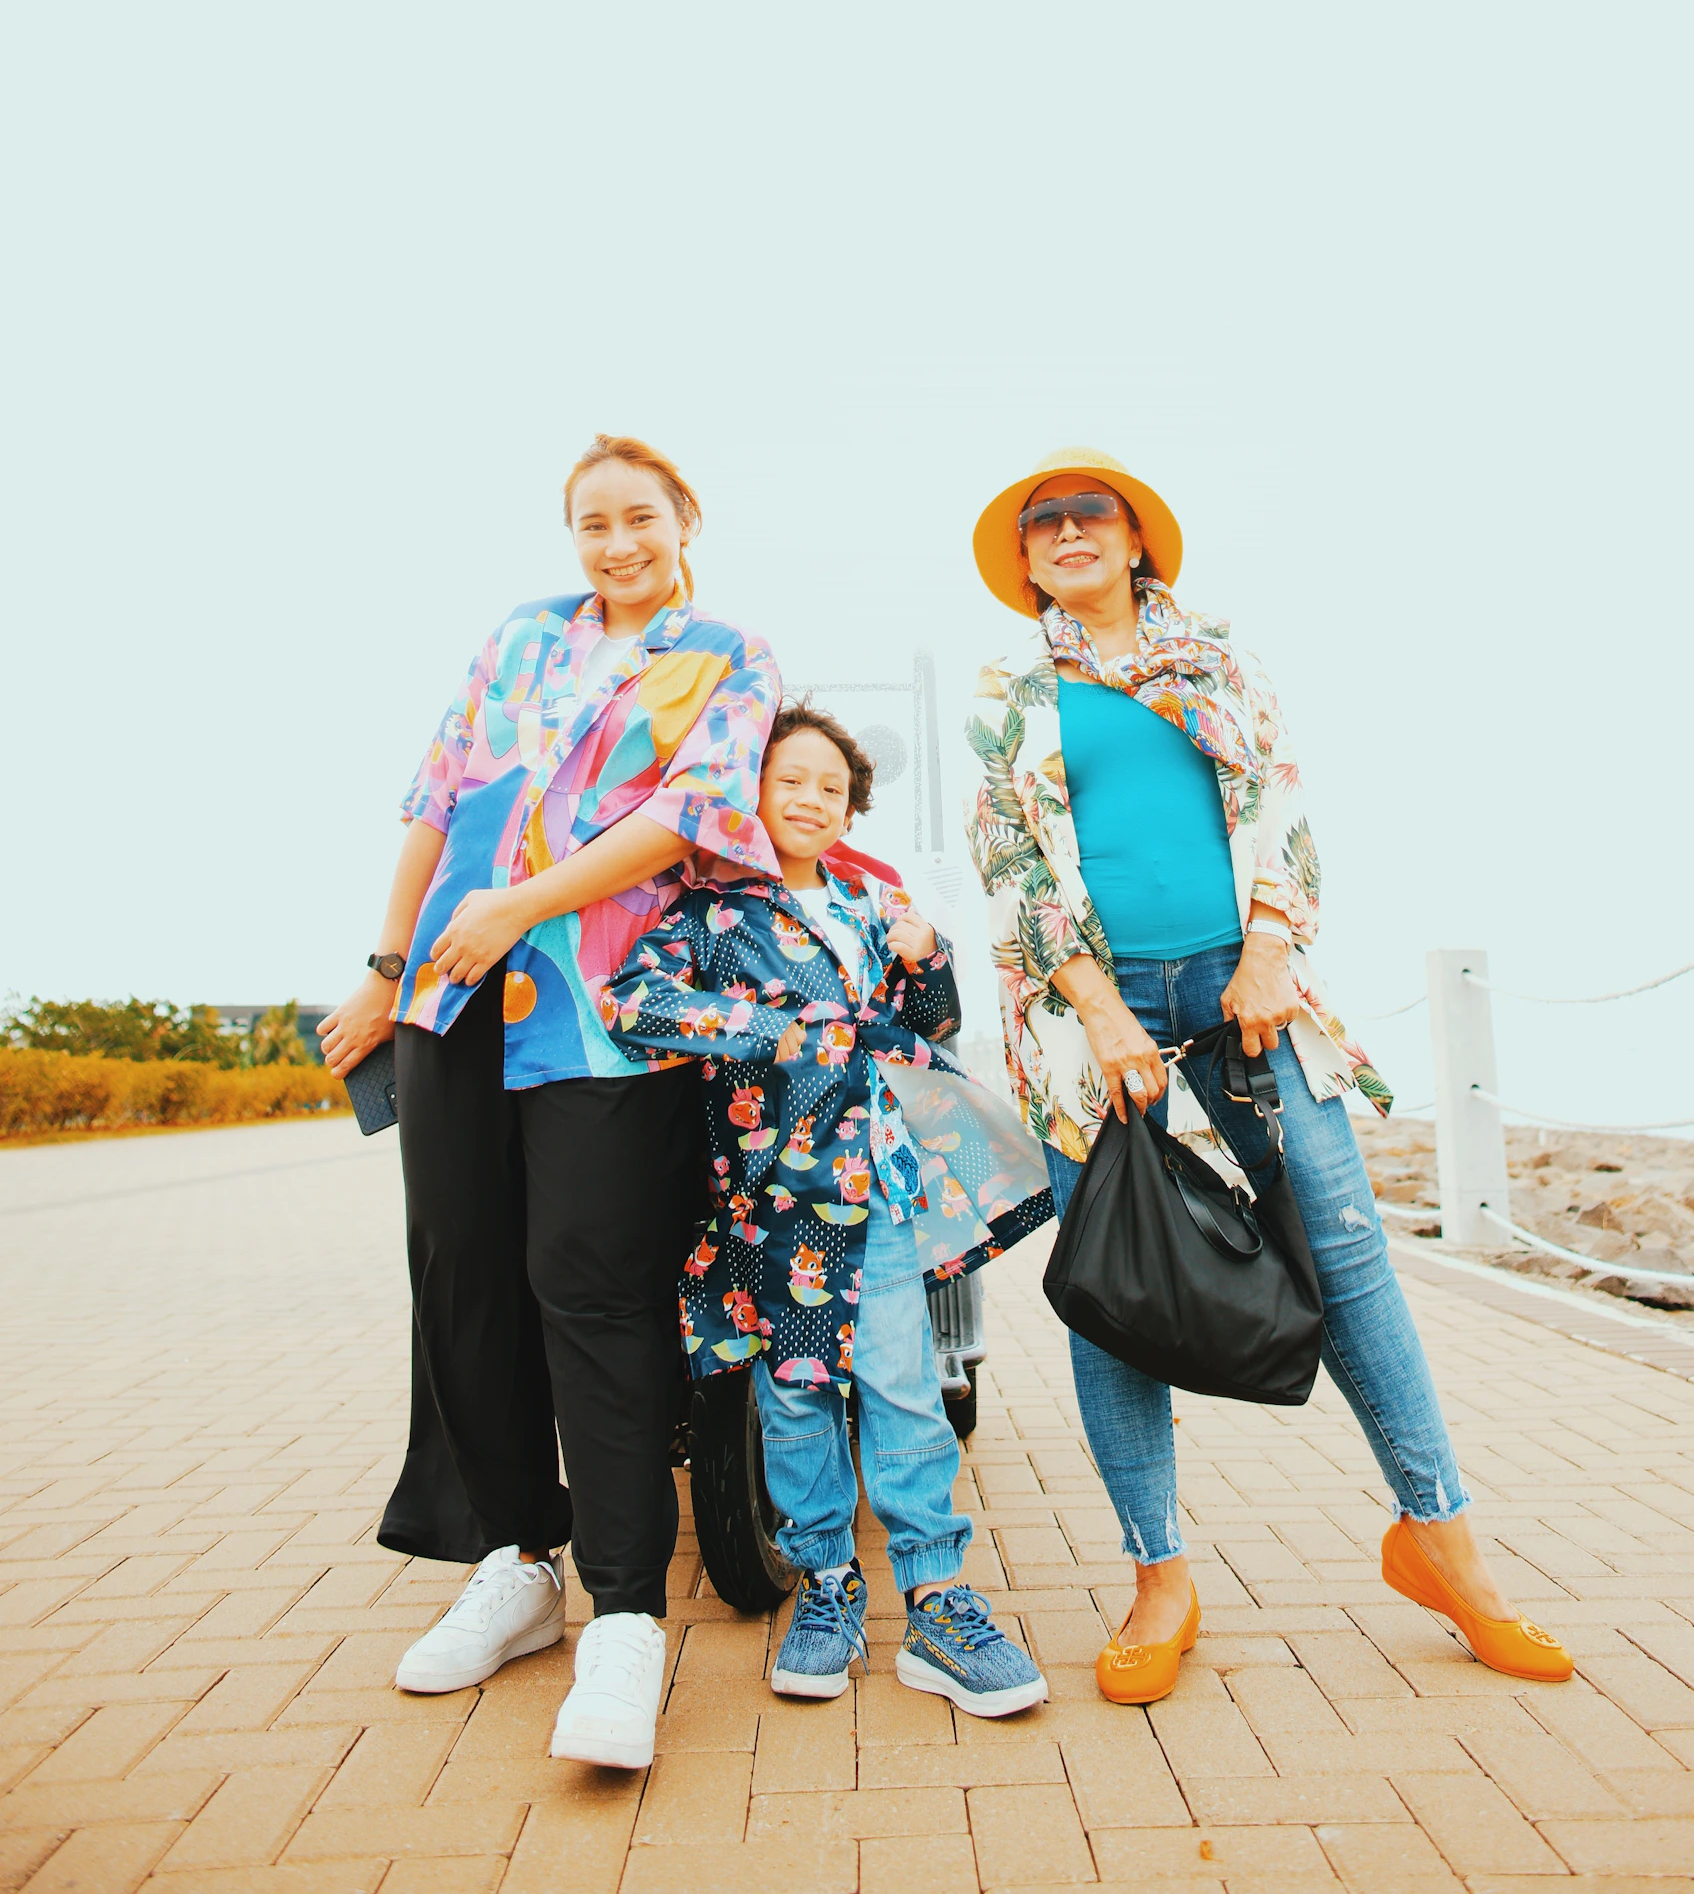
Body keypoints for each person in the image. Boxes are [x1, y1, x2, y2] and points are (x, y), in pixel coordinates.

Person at [965, 447, 1574, 1702]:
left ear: (1138, 542)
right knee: (1117, 1284)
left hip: (1251, 995)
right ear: (1026, 562)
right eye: (1043, 524)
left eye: (1093, 513)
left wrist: (1269, 954)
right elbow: (1015, 869)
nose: (1067, 530)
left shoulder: (1222, 663)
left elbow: (1284, 810)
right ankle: (1159, 1576)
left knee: (1346, 1252)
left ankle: (1445, 1544)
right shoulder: (1010, 699)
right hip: (1098, 1021)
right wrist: (1099, 1011)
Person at [317, 433, 782, 1772]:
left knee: (589, 1282)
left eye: (640, 517)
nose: (617, 542)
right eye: (592, 523)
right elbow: (434, 800)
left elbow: (694, 816)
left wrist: (522, 902)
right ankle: (518, 1559)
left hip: (606, 1008)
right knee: (463, 1276)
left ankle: (626, 1611)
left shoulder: (729, 654)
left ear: (685, 518)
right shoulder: (520, 637)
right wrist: (386, 963)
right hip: (451, 1004)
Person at [605, 701, 1052, 1718]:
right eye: (789, 778)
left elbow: (932, 1020)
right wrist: (774, 1028)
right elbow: (633, 1006)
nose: (810, 798)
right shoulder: (705, 913)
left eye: (831, 787)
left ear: (853, 807)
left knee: (901, 1386)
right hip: (767, 1204)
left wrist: (926, 951)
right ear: (749, 793)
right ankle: (827, 1586)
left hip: (877, 1185)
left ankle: (937, 1598)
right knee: (796, 1395)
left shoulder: (865, 899)